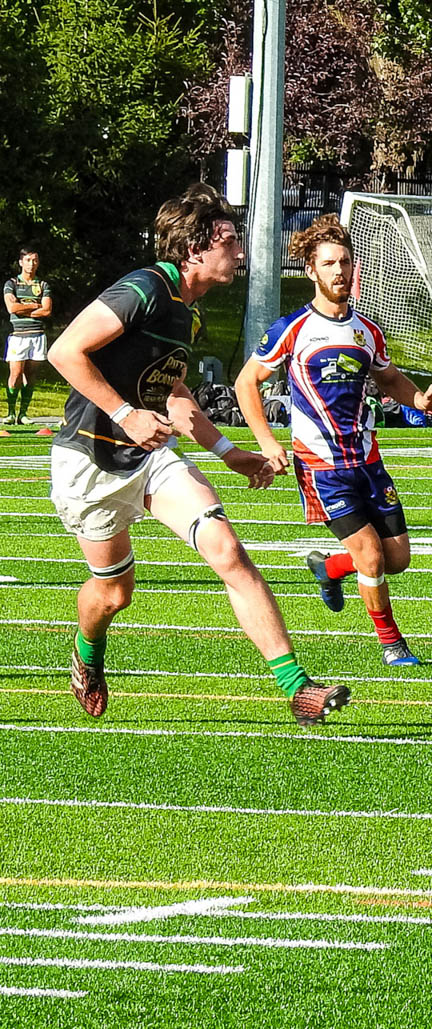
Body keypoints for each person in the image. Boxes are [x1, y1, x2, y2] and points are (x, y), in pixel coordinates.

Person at [47, 184, 347, 725]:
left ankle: (297, 688)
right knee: (114, 594)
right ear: (194, 249)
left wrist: (231, 453)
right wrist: (125, 414)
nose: (240, 251)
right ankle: (87, 652)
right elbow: (64, 350)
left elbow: (176, 396)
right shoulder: (144, 289)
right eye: (229, 240)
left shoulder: (190, 312)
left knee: (226, 547)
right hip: (89, 461)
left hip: (149, 459)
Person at [235, 214, 432, 667]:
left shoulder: (366, 331)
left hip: (367, 460)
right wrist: (268, 441)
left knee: (397, 559)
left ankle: (329, 568)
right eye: (329, 263)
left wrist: (422, 401)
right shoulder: (291, 329)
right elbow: (245, 384)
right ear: (311, 270)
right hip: (321, 467)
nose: (339, 271)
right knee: (371, 555)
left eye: (346, 262)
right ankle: (393, 645)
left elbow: (388, 377)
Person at [5, 246, 52, 426]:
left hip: (37, 335)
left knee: (31, 375)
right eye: (28, 260)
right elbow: (12, 308)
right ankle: (10, 412)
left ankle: (23, 414)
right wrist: (34, 306)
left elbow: (46, 310)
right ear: (21, 262)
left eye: (35, 260)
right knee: (15, 373)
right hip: (18, 335)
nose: (31, 264)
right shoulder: (12, 284)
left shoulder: (42, 285)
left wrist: (23, 308)